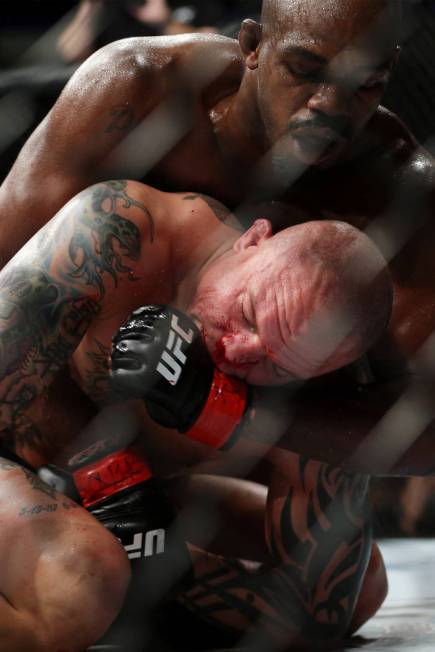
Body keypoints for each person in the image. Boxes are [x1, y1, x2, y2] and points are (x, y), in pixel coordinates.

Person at [1, 0, 435, 474]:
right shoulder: (139, 88)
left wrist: (225, 408)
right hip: (57, 397)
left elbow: (424, 433)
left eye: (366, 82)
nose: (330, 103)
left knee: (342, 532)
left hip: (211, 458)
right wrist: (100, 470)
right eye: (305, 70)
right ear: (252, 46)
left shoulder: (401, 193)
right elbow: (9, 282)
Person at [0, 180, 391, 650]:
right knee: (83, 582)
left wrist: (162, 554)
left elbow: (318, 613)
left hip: (138, 499)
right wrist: (93, 463)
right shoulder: (119, 234)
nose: (234, 352)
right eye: (247, 313)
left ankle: (132, 579)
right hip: (18, 457)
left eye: (276, 364)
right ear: (252, 240)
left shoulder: (319, 390)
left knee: (362, 586)